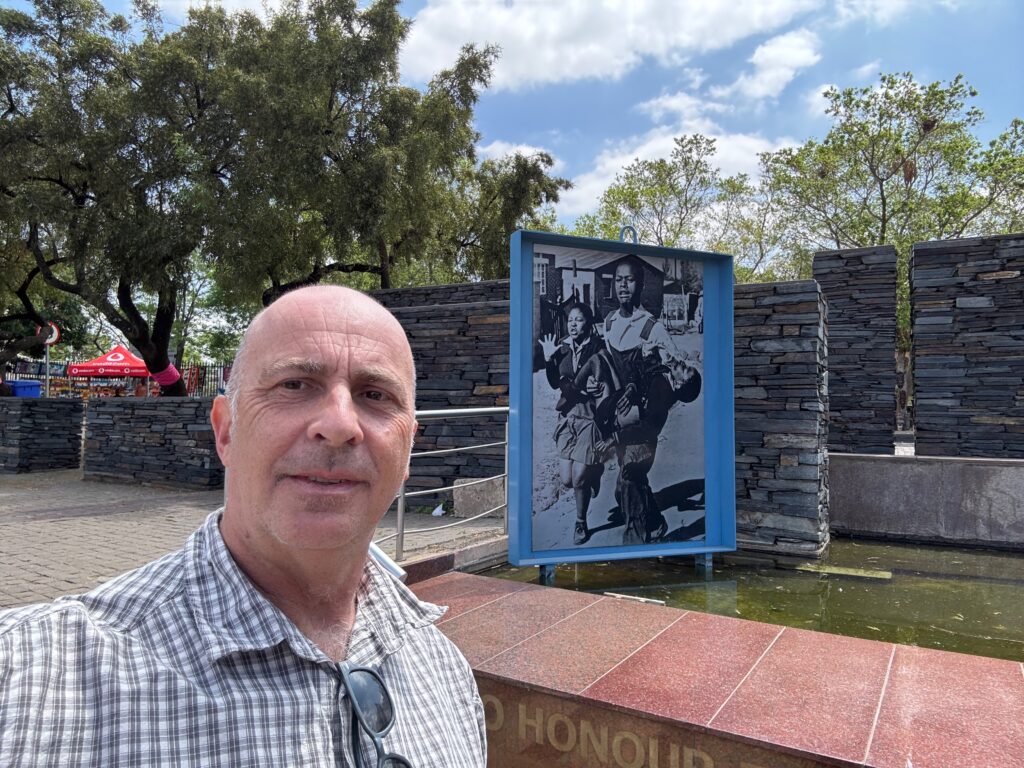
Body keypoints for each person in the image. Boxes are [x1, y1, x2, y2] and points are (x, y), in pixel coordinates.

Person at [0, 286, 486, 767]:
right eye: (294, 385)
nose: (339, 424)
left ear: (408, 451)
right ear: (226, 431)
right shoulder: (33, 677)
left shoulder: (445, 672)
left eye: (375, 395)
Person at [597, 353, 702, 544]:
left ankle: (634, 543)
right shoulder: (663, 371)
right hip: (631, 438)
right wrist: (631, 386)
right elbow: (637, 366)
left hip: (641, 447)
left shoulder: (663, 396)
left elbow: (648, 429)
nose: (682, 365)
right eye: (686, 366)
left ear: (679, 385)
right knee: (623, 490)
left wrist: (615, 437)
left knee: (630, 489)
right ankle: (654, 524)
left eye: (685, 370)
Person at [539, 302, 607, 545]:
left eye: (579, 320)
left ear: (588, 323)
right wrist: (549, 359)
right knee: (567, 480)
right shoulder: (563, 348)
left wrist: (598, 387)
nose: (573, 324)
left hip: (590, 417)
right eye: (571, 320)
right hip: (567, 417)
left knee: (578, 479)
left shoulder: (598, 347)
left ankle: (581, 522)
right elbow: (555, 382)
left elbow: (605, 378)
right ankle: (594, 472)